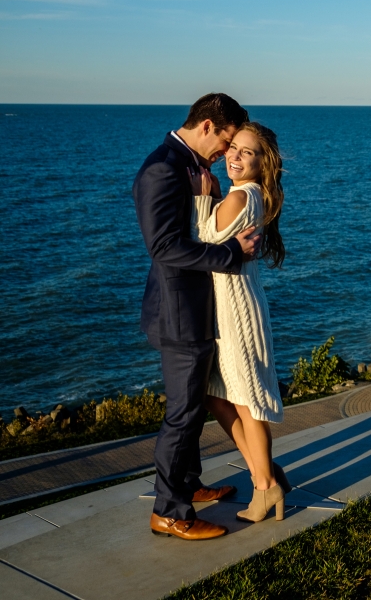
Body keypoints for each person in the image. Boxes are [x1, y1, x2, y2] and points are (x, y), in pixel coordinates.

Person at [133, 93, 259, 541]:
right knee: (182, 416)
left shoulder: (188, 164)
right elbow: (164, 247)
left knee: (191, 410)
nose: (227, 151)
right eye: (226, 140)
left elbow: (196, 226)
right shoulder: (162, 168)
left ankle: (188, 485)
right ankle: (168, 512)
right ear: (207, 125)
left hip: (195, 308)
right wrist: (229, 252)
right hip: (178, 313)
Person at [189, 122, 288, 523]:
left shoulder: (241, 196)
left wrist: (201, 197)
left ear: (263, 162)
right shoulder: (250, 195)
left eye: (247, 152)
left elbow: (197, 243)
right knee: (218, 395)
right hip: (231, 306)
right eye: (233, 148)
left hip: (236, 312)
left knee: (247, 403)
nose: (234, 156)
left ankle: (265, 488)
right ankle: (264, 476)